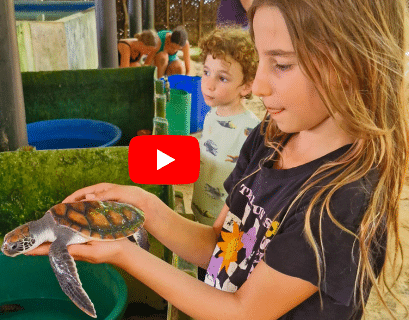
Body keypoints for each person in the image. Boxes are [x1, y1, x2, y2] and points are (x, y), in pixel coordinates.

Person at [27, 0, 408, 318]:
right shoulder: (269, 138)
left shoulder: (341, 200)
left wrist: (125, 254)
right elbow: (218, 247)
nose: (258, 86)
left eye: (283, 64)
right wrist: (144, 205)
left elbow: (244, 312)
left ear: (355, 64)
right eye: (261, 60)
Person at [191, 26, 260, 265]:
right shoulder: (211, 114)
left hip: (225, 226)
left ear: (246, 86)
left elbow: (252, 186)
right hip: (201, 211)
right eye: (206, 72)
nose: (208, 84)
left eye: (222, 78)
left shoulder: (252, 130)